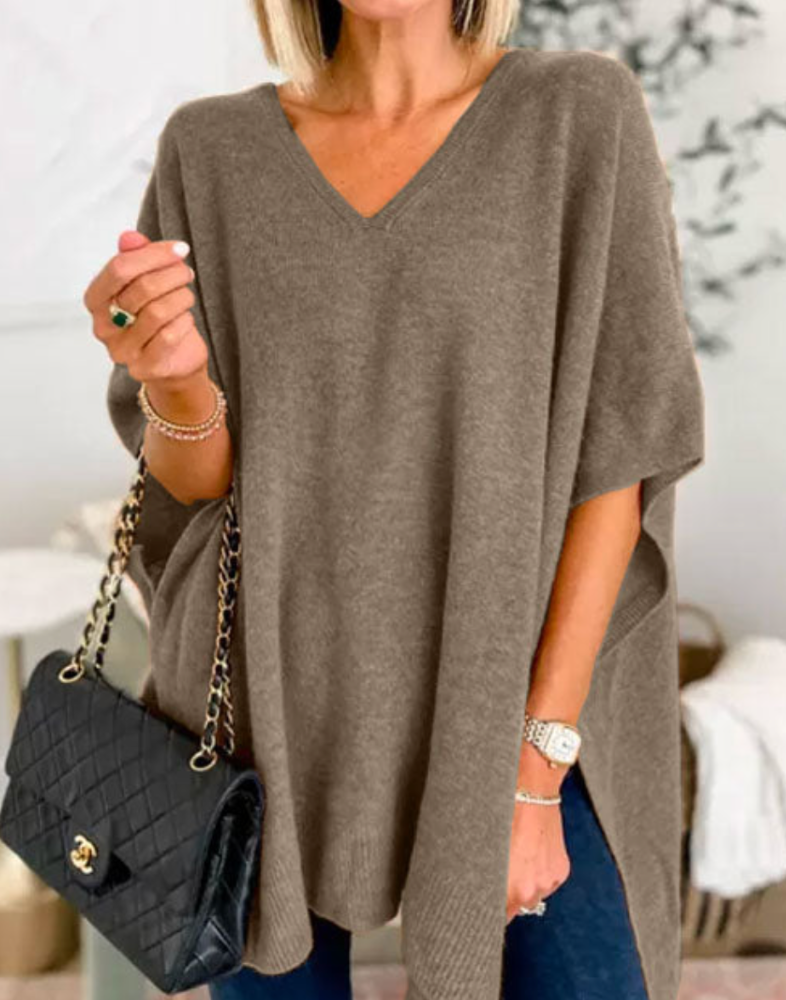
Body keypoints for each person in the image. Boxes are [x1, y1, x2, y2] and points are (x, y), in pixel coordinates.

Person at [85, 1, 705, 998]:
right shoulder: (210, 149)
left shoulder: (576, 114)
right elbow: (197, 490)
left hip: (515, 697)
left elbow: (616, 462)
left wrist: (535, 770)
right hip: (267, 709)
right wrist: (174, 378)